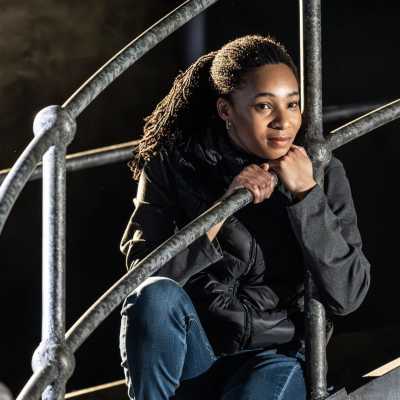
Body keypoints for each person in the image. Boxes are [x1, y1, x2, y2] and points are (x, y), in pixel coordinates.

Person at [119, 34, 371, 400]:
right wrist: (220, 210)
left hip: (275, 357)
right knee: (155, 296)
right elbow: (142, 278)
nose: (284, 123)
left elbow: (348, 294)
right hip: (196, 353)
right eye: (265, 107)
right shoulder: (172, 166)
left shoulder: (322, 172)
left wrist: (307, 196)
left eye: (293, 104)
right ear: (226, 110)